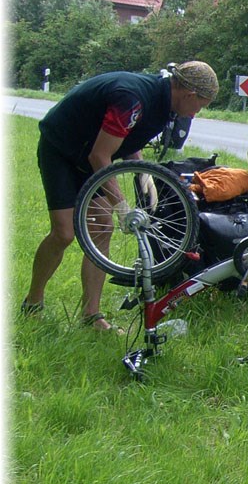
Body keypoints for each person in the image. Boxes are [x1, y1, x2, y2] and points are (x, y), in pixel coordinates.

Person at [21, 61, 219, 330]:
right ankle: (33, 302)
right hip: (62, 150)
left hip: (89, 153)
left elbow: (126, 139)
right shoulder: (133, 99)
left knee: (102, 228)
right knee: (64, 233)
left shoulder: (163, 104)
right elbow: (100, 156)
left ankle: (91, 315)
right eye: (201, 105)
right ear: (189, 95)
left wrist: (143, 174)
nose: (196, 113)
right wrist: (122, 205)